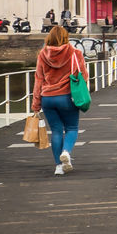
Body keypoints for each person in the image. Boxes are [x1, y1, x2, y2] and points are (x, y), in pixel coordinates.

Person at [31, 25, 87, 176]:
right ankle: (66, 152)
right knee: (72, 128)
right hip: (67, 97)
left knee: (56, 131)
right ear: (65, 37)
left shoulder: (43, 54)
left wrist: (36, 104)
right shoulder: (75, 53)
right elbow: (83, 76)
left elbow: (38, 80)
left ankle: (58, 167)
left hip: (47, 98)